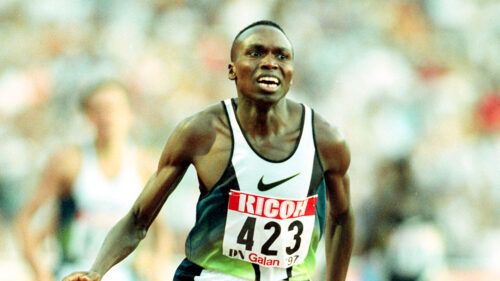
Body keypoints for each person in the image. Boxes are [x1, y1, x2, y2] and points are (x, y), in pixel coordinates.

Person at [62, 20, 353, 281]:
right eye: (255, 53)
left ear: (291, 73)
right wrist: (97, 270)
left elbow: (342, 218)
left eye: (281, 56)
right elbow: (139, 219)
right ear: (231, 70)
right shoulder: (200, 133)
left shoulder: (326, 140)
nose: (269, 62)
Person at [15, 80, 167, 281]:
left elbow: (162, 230)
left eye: (113, 108)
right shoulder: (68, 161)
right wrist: (40, 273)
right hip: (74, 272)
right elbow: (26, 219)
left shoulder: (144, 165)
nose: (106, 117)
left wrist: (155, 268)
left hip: (126, 275)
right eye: (98, 110)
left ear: (129, 113)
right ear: (88, 116)